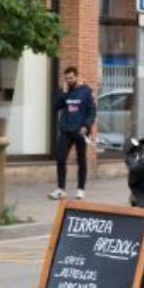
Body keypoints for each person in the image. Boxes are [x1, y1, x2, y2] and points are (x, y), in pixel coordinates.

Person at [50, 67, 95, 200]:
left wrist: (86, 126)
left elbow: (92, 111)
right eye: (67, 78)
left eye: (71, 78)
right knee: (60, 158)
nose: (69, 80)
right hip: (66, 131)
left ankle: (80, 189)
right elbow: (55, 107)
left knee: (81, 160)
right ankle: (61, 189)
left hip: (80, 131)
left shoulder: (86, 91)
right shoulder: (64, 91)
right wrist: (63, 93)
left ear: (76, 77)